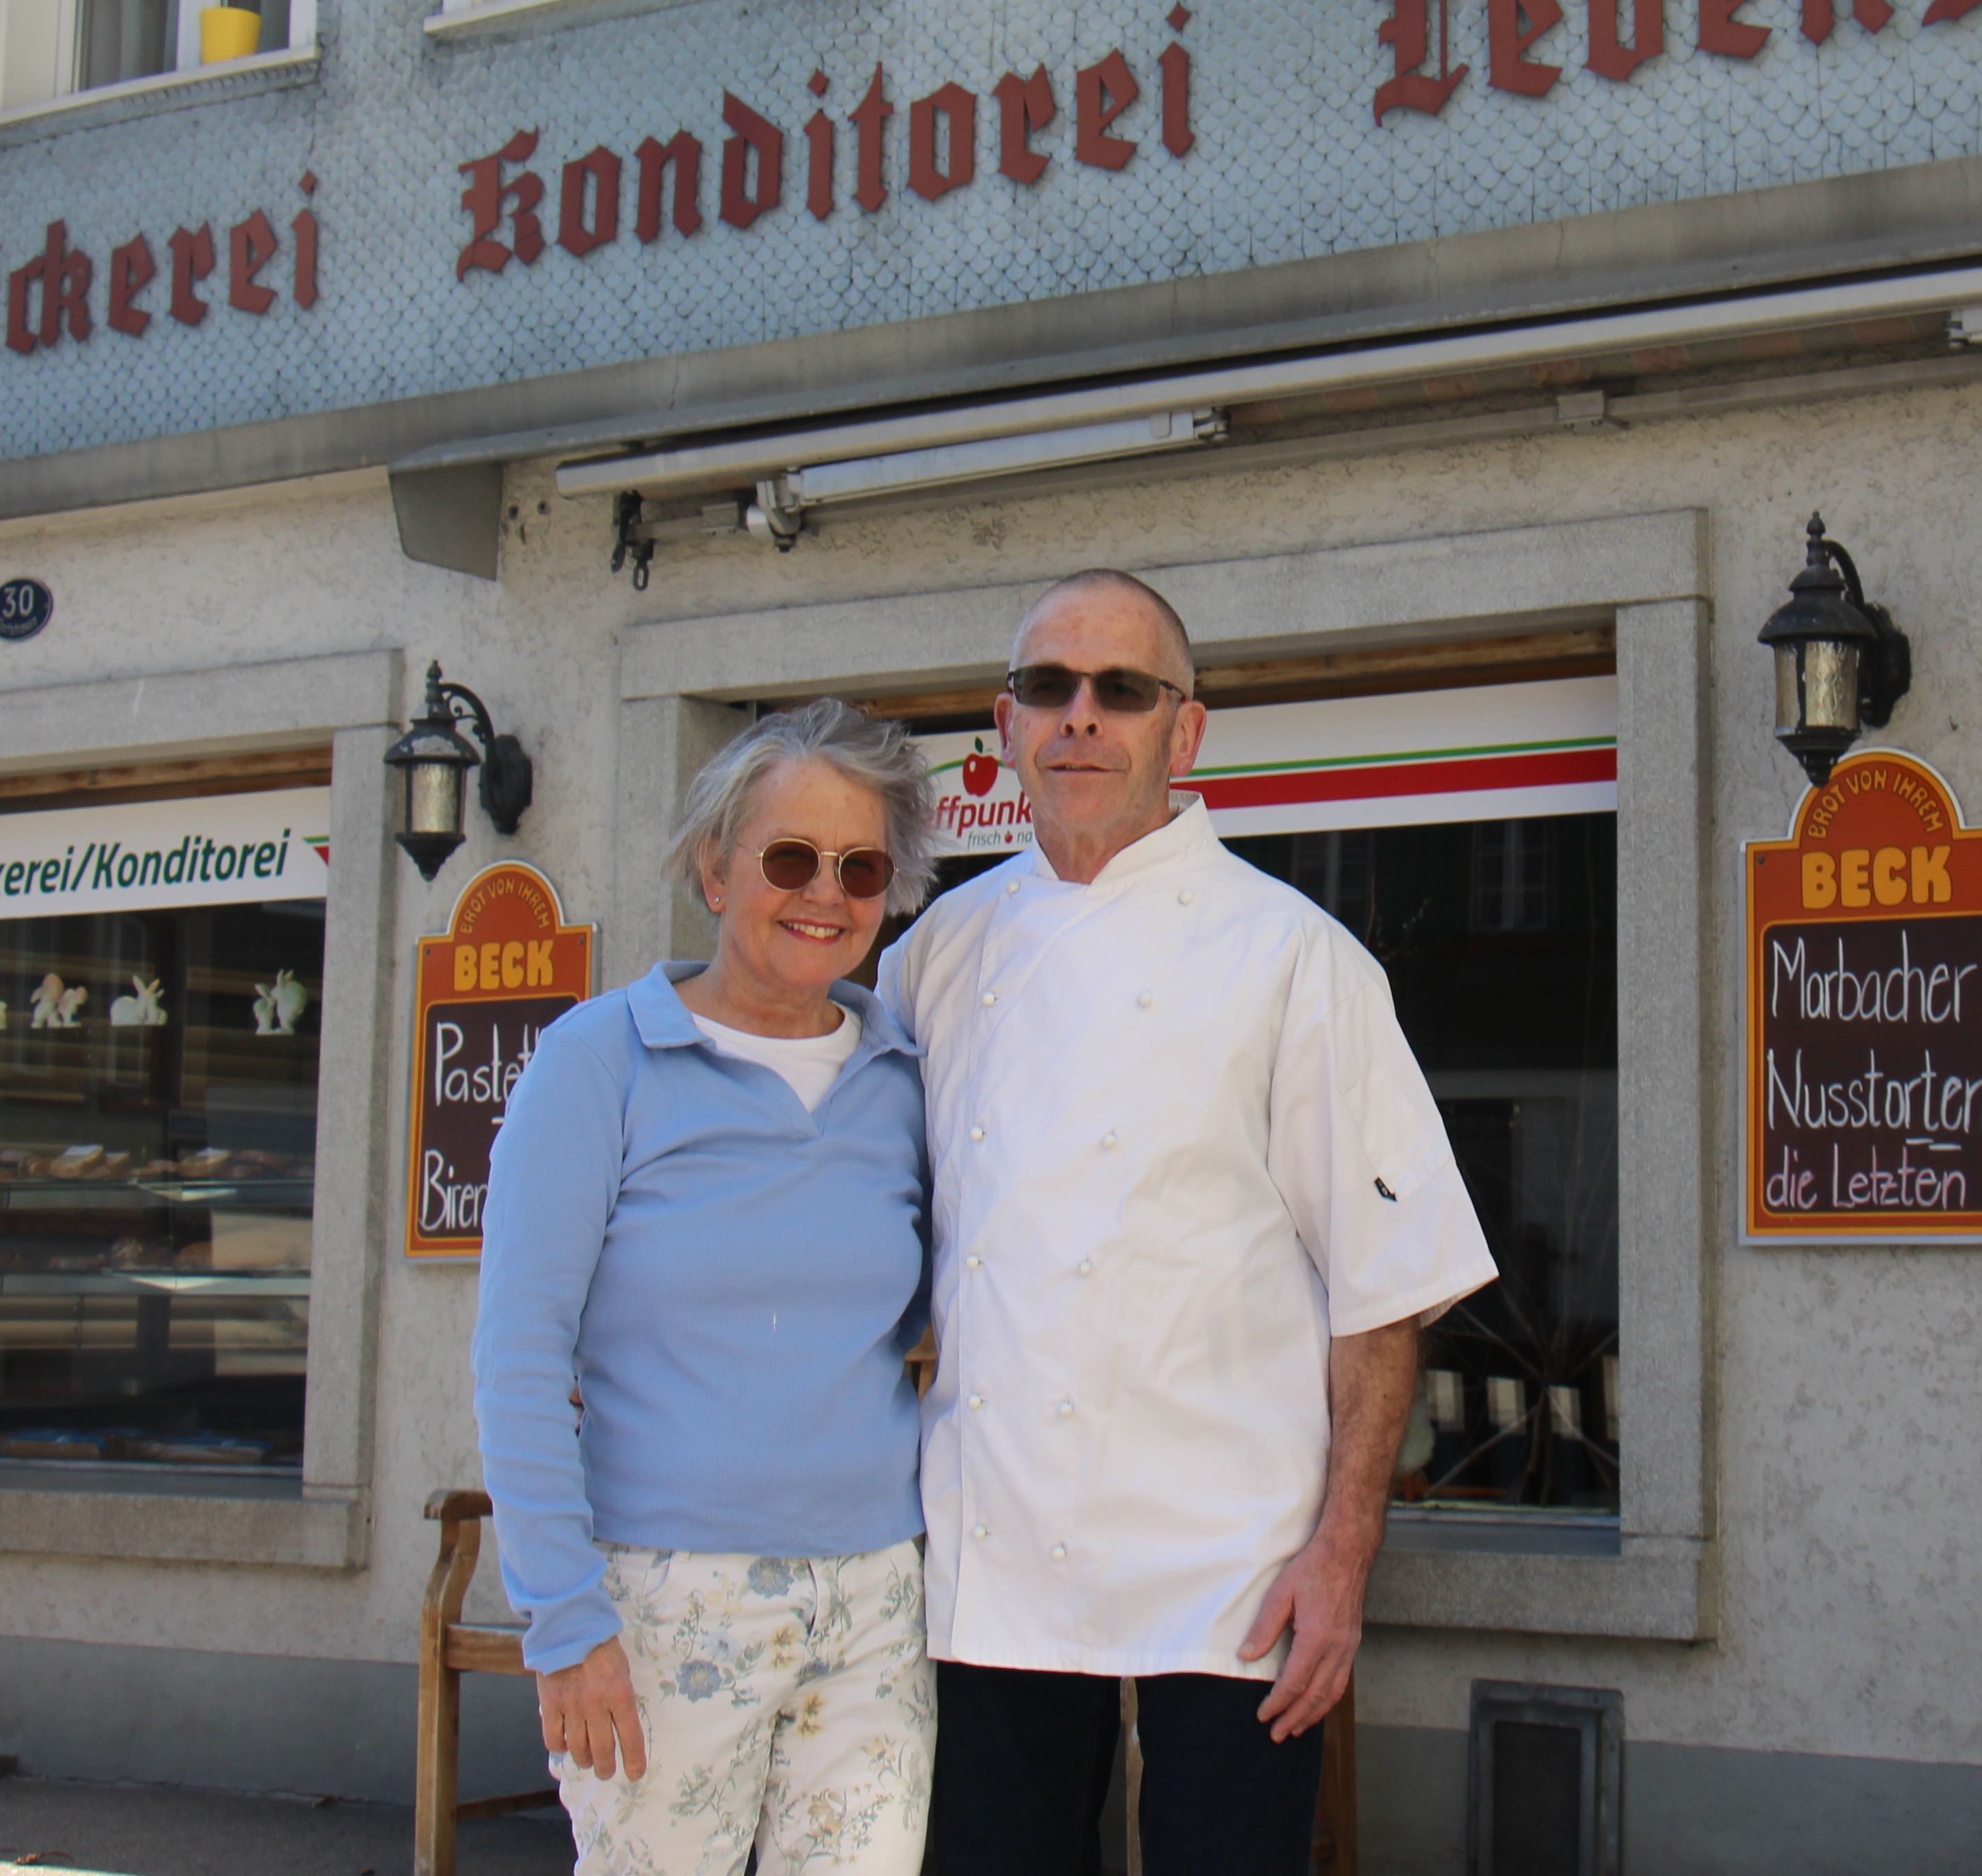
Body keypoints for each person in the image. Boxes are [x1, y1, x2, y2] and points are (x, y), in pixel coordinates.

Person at [884, 569, 1498, 1876]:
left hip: (1233, 1564)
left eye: (1122, 690)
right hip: (988, 1562)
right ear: (1006, 726)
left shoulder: (1291, 956)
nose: (1081, 717)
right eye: (1048, 687)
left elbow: (1382, 1292)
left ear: (1186, 728)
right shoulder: (935, 952)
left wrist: (1343, 1555)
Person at [473, 701, 941, 1874]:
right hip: (661, 1600)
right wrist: (564, 1620)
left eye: (860, 866)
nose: (822, 893)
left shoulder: (908, 1077)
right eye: (789, 857)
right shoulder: (597, 1061)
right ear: (712, 869)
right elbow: (518, 1356)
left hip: (878, 1601)